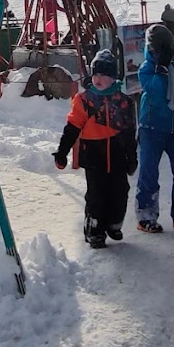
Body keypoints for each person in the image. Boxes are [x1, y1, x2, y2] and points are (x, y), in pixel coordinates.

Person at [53, 49, 138, 249]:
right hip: (94, 156)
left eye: (105, 75)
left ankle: (113, 224)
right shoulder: (85, 101)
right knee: (96, 195)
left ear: (113, 78)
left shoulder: (123, 102)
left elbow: (129, 133)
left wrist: (132, 157)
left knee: (120, 192)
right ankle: (94, 231)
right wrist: (62, 152)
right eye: (96, 74)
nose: (99, 78)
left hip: (117, 156)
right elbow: (72, 127)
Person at [135, 23, 174, 232]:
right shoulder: (146, 69)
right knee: (149, 172)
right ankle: (146, 215)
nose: (164, 52)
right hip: (151, 128)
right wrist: (159, 69)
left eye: (168, 48)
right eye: (159, 49)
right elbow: (153, 92)